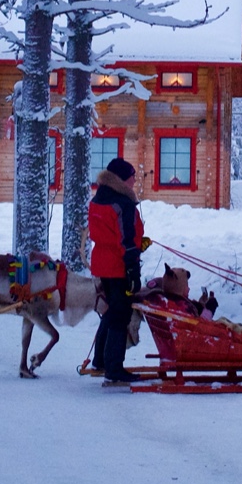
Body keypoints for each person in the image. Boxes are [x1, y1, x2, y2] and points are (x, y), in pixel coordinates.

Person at [87, 157, 145, 386]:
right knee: (120, 315)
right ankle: (114, 369)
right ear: (122, 179)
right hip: (118, 265)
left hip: (101, 263)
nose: (134, 181)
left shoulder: (99, 199)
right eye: (132, 177)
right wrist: (133, 270)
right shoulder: (123, 204)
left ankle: (101, 360)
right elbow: (126, 240)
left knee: (112, 311)